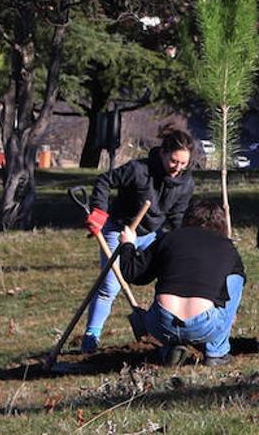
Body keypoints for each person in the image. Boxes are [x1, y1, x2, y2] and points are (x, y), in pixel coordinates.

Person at [80, 125, 196, 352]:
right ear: (163, 152)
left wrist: (181, 241)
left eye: (183, 163)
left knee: (168, 280)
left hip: (152, 234)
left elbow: (177, 217)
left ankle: (162, 331)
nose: (178, 168)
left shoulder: (185, 183)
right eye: (174, 161)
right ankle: (92, 335)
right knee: (109, 286)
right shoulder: (138, 170)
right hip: (119, 230)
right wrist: (99, 213)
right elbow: (104, 181)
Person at [119, 199, 245, 367]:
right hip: (205, 326)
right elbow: (234, 288)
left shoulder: (168, 239)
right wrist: (230, 314)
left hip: (161, 323)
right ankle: (217, 352)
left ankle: (169, 349)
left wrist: (127, 244)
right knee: (237, 277)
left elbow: (133, 274)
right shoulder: (228, 247)